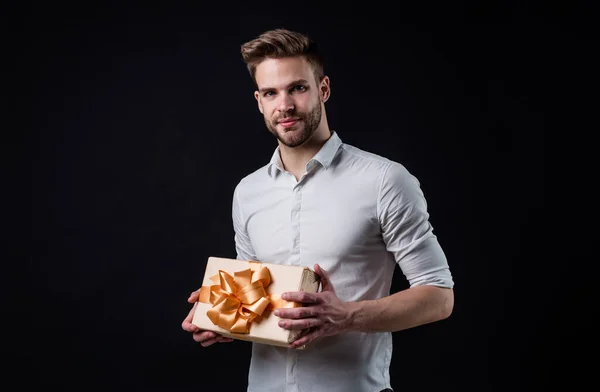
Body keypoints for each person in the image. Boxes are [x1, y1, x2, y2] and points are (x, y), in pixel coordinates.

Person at [182, 28, 454, 392]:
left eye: (298, 87)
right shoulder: (248, 192)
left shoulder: (384, 180)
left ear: (323, 89)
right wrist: (221, 318)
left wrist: (346, 316)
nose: (285, 106)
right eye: (270, 93)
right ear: (259, 101)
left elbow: (439, 295)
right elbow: (256, 303)